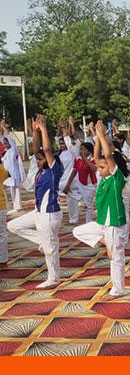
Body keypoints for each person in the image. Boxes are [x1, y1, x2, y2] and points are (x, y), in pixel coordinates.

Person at [73, 121, 128, 297]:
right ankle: (106, 242)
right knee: (78, 231)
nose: (99, 168)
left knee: (115, 258)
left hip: (114, 223)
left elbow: (107, 157)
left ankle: (118, 289)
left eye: (103, 167)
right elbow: (98, 157)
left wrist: (103, 136)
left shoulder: (115, 178)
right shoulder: (103, 177)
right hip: (102, 223)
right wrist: (96, 136)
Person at [8, 115, 64, 289]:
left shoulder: (55, 169)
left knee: (50, 250)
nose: (38, 162)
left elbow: (46, 150)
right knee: (14, 226)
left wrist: (44, 129)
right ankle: (42, 240)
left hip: (49, 214)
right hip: (38, 212)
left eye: (41, 160)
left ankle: (54, 278)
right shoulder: (41, 169)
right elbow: (37, 150)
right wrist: (34, 131)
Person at [63, 141, 98, 224]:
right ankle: (73, 218)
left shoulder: (93, 159)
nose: (81, 151)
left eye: (83, 149)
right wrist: (67, 185)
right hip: (79, 184)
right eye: (80, 149)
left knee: (89, 206)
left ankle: (89, 223)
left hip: (89, 185)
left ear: (89, 151)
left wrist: (85, 159)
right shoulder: (78, 159)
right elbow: (74, 172)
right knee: (71, 196)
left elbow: (94, 169)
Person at [0, 119, 24, 213]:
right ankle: (13, 205)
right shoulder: (6, 152)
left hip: (14, 173)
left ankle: (17, 206)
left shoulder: (13, 149)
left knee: (15, 190)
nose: (5, 145)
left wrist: (3, 127)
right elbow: (2, 138)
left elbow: (8, 137)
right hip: (8, 174)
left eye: (6, 143)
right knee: (10, 189)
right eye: (4, 144)